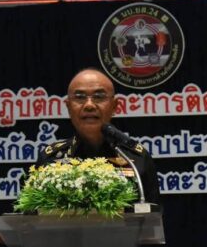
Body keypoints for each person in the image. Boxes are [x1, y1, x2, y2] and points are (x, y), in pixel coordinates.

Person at [36, 68, 160, 205]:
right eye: (80, 97)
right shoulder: (50, 159)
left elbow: (153, 213)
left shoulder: (136, 159)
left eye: (99, 97)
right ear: (68, 107)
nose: (89, 105)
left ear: (114, 106)